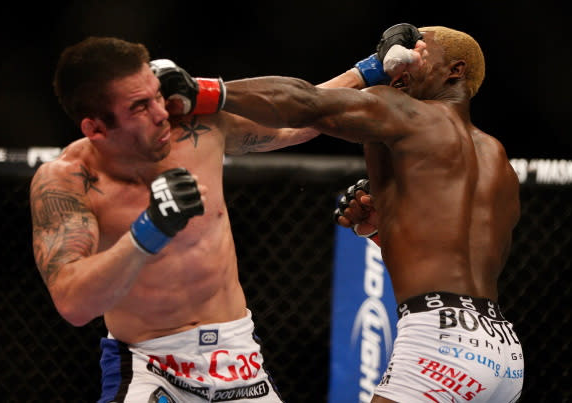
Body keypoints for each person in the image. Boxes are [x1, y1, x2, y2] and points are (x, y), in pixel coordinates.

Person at [29, 27, 418, 403]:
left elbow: (298, 119)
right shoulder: (69, 181)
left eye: (155, 94)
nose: (161, 112)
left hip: (240, 360)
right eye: (140, 107)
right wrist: (149, 231)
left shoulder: (196, 125)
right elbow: (73, 303)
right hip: (150, 365)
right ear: (94, 128)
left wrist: (369, 70)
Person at [171, 25, 523, 402]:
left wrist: (204, 91)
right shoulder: (498, 161)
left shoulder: (408, 113)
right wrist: (381, 230)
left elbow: (305, 102)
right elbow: (464, 255)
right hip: (502, 349)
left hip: (439, 341)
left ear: (454, 71)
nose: (408, 55)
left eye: (421, 50)